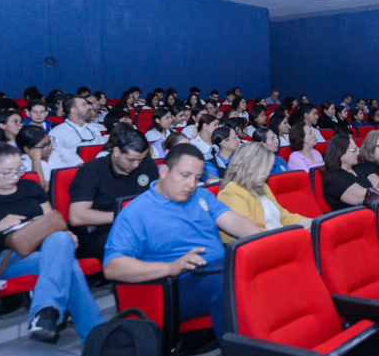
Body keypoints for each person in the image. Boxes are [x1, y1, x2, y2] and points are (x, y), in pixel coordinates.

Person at [0, 142, 102, 343]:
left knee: (61, 239)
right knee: (70, 266)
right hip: (7, 259)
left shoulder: (31, 187)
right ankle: (94, 335)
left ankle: (45, 314)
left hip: (45, 249)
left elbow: (51, 220)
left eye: (19, 170)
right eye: (7, 172)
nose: (15, 177)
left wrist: (68, 234)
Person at [104, 144, 262, 339]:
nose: (191, 184)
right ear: (163, 171)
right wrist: (170, 267)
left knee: (261, 272)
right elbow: (112, 266)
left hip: (217, 270)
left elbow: (234, 220)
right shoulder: (136, 212)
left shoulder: (200, 195)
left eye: (196, 178)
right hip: (178, 285)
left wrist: (264, 242)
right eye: (184, 175)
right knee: (229, 284)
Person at [68, 128, 158, 260]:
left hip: (142, 227)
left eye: (140, 159)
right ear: (116, 151)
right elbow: (77, 216)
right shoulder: (91, 171)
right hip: (103, 232)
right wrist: (124, 216)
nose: (136, 165)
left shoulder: (146, 164)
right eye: (131, 160)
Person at [322, 133, 379, 210]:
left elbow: (377, 181)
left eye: (357, 149)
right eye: (354, 150)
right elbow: (366, 195)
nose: (358, 153)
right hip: (352, 218)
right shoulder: (334, 178)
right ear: (340, 154)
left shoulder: (358, 167)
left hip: (370, 212)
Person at [48, 95, 104, 170]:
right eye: (84, 104)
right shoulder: (57, 132)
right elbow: (55, 159)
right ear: (73, 110)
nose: (90, 107)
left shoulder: (94, 129)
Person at [17, 124, 54, 189]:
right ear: (27, 149)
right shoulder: (22, 164)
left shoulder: (46, 160)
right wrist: (36, 160)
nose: (50, 147)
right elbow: (38, 188)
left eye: (49, 143)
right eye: (43, 146)